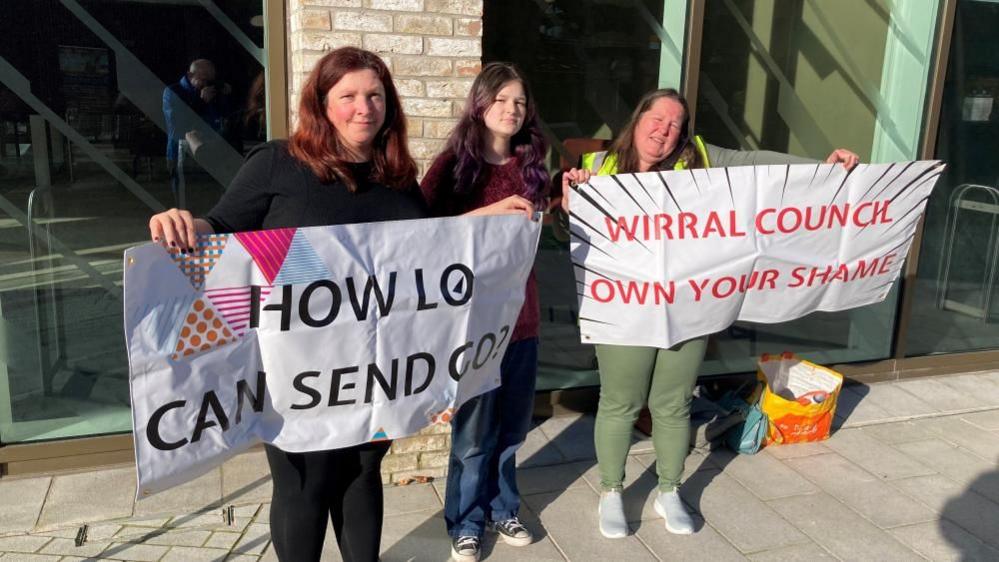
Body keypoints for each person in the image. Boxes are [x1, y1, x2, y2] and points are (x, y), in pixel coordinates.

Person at [149, 47, 423, 562]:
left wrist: (491, 219)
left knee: (364, 472)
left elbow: (429, 257)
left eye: (375, 95)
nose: (364, 107)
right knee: (307, 486)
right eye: (348, 96)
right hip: (298, 374)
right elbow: (222, 228)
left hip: (373, 369)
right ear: (321, 104)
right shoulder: (279, 163)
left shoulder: (399, 177)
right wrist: (182, 224)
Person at [560, 88, 859, 539]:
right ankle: (611, 492)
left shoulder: (698, 158)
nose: (663, 131)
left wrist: (821, 167)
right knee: (620, 403)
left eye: (674, 125)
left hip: (687, 306)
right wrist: (569, 207)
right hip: (624, 308)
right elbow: (576, 237)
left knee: (673, 403)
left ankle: (668, 490)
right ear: (638, 120)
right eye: (656, 119)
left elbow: (760, 164)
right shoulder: (596, 171)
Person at [420, 62, 547, 562]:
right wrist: (487, 214)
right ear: (479, 104)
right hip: (471, 326)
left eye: (519, 102)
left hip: (524, 319)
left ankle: (503, 506)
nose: (511, 110)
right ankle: (466, 521)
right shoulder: (453, 165)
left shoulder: (533, 164)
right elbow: (423, 234)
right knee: (473, 436)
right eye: (501, 100)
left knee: (512, 431)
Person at [162, 59, 232, 196]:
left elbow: (225, 119)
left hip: (212, 153)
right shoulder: (173, 92)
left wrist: (225, 97)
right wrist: (201, 102)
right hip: (181, 155)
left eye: (211, 81)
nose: (207, 85)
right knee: (185, 200)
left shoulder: (213, 93)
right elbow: (178, 127)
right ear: (190, 75)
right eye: (204, 80)